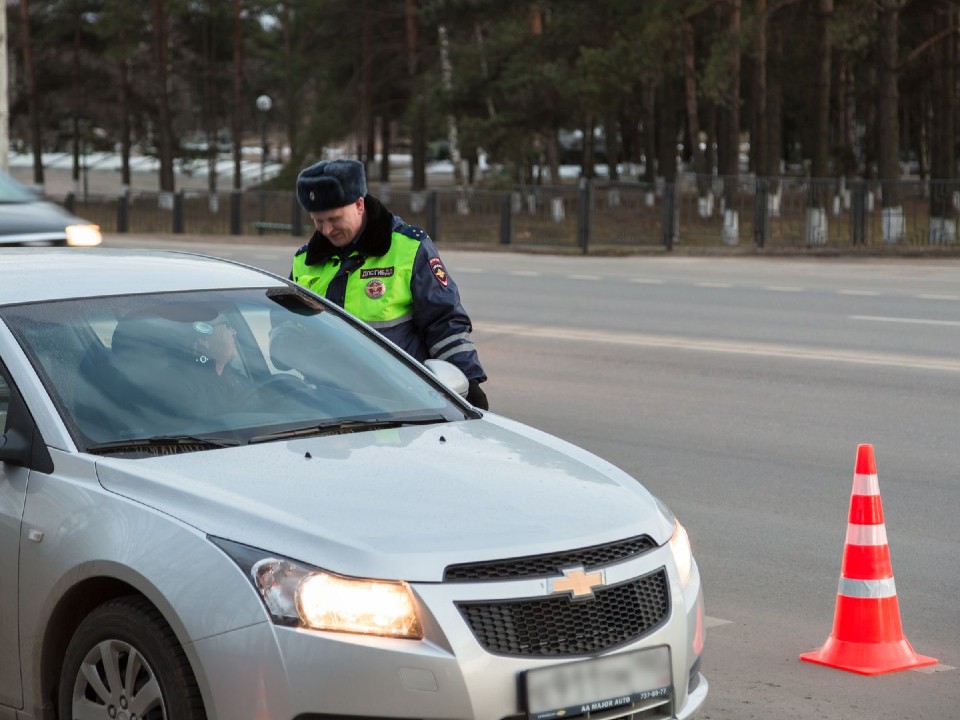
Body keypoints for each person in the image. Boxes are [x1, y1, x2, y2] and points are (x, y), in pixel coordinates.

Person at [289, 158, 489, 409]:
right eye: (318, 221)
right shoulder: (304, 261)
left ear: (359, 204)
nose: (327, 230)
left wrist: (467, 381)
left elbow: (444, 322)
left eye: (335, 219)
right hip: (329, 406)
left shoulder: (409, 248)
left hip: (399, 405)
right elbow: (288, 329)